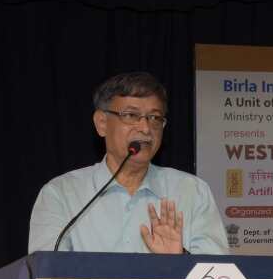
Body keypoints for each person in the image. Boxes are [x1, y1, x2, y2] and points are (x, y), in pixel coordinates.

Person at [28, 71, 227, 254]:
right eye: (131, 115)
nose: (146, 128)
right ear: (102, 123)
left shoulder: (193, 191)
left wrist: (178, 261)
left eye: (155, 118)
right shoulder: (61, 194)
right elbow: (47, 277)